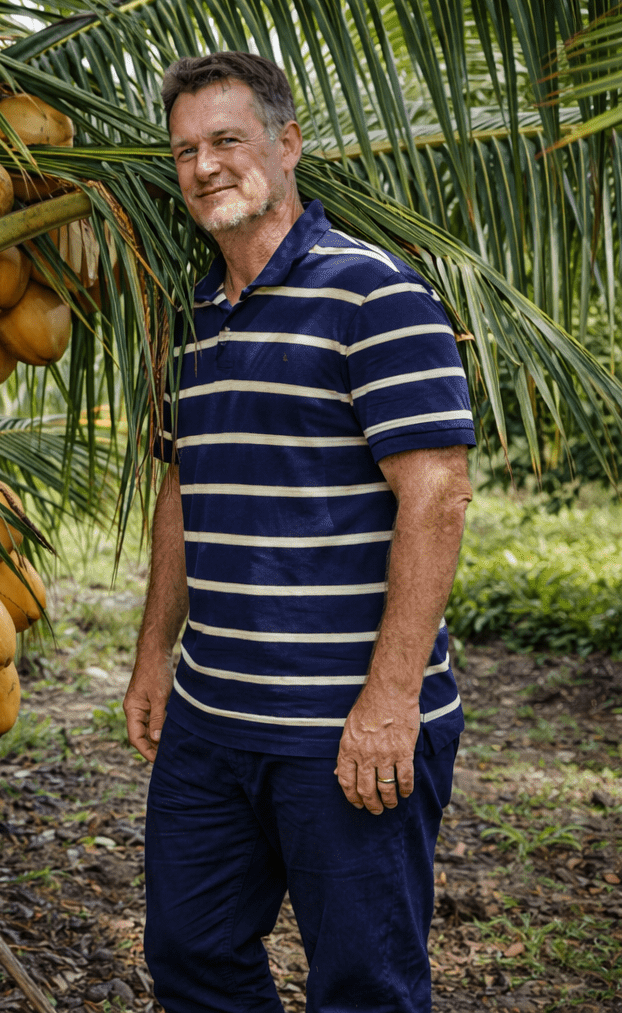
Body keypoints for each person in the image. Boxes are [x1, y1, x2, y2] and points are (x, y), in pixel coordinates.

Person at [123, 52, 475, 1013]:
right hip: (211, 722)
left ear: (286, 145)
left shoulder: (376, 295)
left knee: (363, 987)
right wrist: (156, 653)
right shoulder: (194, 315)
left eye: (227, 140)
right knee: (192, 960)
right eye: (186, 150)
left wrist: (391, 701)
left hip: (345, 728)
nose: (204, 167)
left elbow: (437, 495)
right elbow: (182, 486)